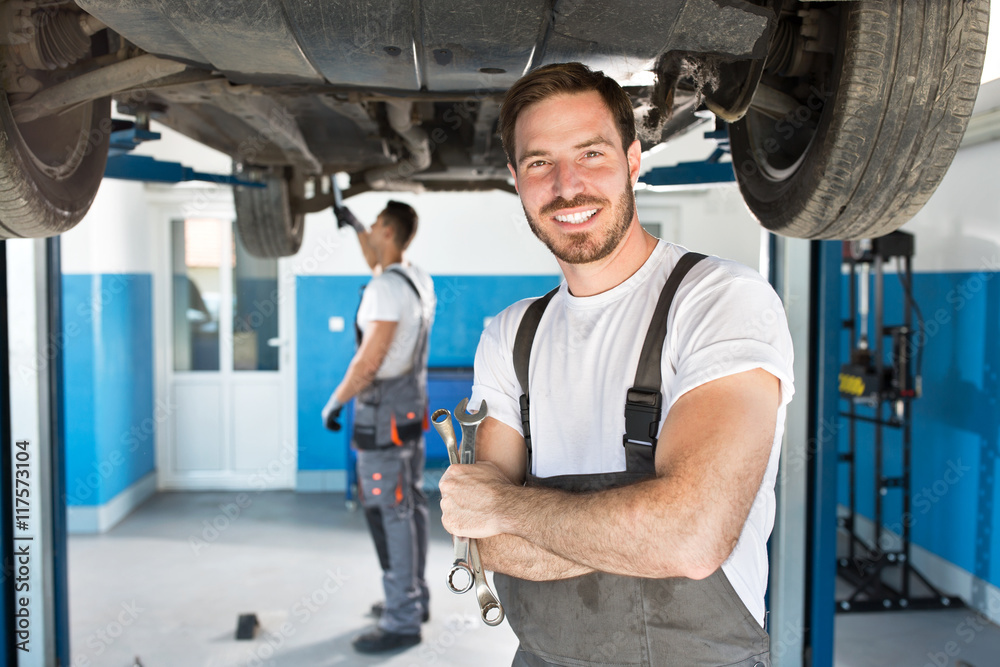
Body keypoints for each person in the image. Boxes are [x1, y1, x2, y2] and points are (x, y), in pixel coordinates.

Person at [438, 62, 794, 666]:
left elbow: (692, 538)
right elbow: (484, 546)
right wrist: (642, 528)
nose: (567, 185)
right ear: (515, 179)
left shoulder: (719, 300)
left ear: (633, 160)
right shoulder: (509, 335)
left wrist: (503, 505)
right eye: (539, 162)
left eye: (591, 153)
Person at [322, 200, 435, 654]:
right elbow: (376, 261)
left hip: (382, 410)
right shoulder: (415, 278)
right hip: (410, 404)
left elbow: (369, 361)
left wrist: (334, 403)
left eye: (371, 225)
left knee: (389, 511)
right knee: (410, 504)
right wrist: (351, 225)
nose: (367, 233)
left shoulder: (385, 290)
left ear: (387, 230)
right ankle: (414, 597)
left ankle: (401, 618)